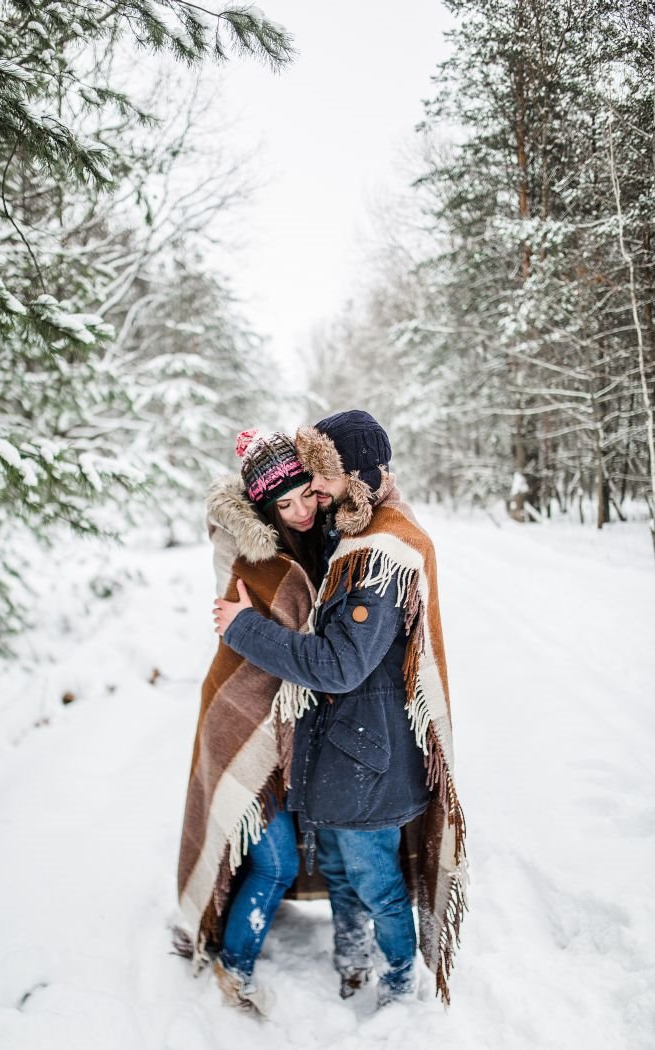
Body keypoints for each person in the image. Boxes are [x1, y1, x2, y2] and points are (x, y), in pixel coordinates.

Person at [213, 410, 467, 1007]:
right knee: (344, 878)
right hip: (339, 755)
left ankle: (400, 986)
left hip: (366, 760)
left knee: (377, 885)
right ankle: (351, 962)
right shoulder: (347, 536)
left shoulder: (378, 554)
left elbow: (339, 665)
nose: (314, 500)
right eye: (303, 491)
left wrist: (246, 630)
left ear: (355, 476)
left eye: (320, 484)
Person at [176, 429, 324, 1015]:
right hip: (241, 716)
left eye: (305, 496)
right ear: (263, 509)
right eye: (284, 505)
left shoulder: (315, 540)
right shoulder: (251, 555)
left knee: (277, 846)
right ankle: (232, 965)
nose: (301, 511)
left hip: (286, 722)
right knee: (278, 858)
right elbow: (251, 630)